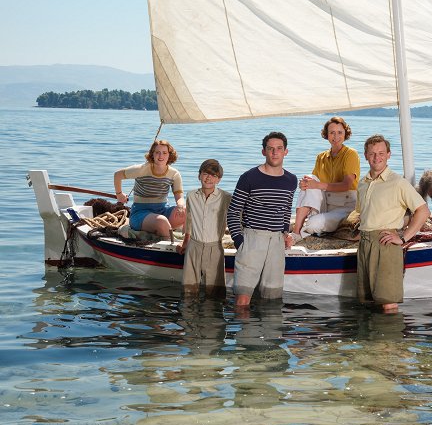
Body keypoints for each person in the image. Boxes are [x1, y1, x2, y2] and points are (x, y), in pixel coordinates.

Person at [356, 134, 430, 313]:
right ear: (365, 155)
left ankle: (392, 340)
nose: (377, 157)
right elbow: (362, 213)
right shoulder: (362, 183)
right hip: (364, 244)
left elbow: (423, 211)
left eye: (381, 153)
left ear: (389, 154)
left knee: (388, 301)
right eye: (372, 153)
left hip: (385, 244)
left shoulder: (398, 183)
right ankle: (372, 340)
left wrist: (403, 236)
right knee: (368, 301)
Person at [227, 132, 297, 308]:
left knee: (272, 301)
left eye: (279, 149)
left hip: (276, 243)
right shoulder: (249, 177)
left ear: (285, 152)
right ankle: (244, 335)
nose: (274, 152)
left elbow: (286, 210)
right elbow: (233, 211)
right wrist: (240, 241)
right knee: (242, 300)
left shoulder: (291, 180)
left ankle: (271, 335)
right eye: (270, 148)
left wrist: (284, 232)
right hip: (252, 239)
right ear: (263, 151)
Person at [291, 116, 360, 240]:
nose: (336, 136)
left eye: (340, 132)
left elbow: (346, 185)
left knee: (312, 224)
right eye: (332, 132)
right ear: (326, 135)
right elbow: (313, 185)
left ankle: (307, 227)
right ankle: (296, 233)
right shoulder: (321, 157)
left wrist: (316, 185)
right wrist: (305, 183)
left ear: (345, 134)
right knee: (309, 178)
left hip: (345, 207)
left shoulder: (351, 154)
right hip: (325, 203)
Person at [178, 158, 231, 298]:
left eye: (214, 175)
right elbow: (189, 221)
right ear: (199, 175)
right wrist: (185, 243)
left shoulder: (226, 198)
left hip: (215, 248)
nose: (209, 178)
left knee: (215, 293)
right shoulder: (191, 196)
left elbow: (237, 219)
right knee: (188, 291)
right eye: (205, 174)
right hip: (193, 247)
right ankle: (189, 318)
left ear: (219, 179)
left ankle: (212, 318)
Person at [114, 139, 186, 237]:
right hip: (140, 213)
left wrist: (181, 205)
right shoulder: (141, 169)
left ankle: (188, 243)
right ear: (152, 154)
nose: (161, 156)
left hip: (163, 210)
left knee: (189, 211)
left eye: (164, 153)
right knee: (162, 221)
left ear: (170, 155)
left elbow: (179, 197)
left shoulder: (174, 174)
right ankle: (169, 246)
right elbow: (117, 175)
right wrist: (119, 194)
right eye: (157, 152)